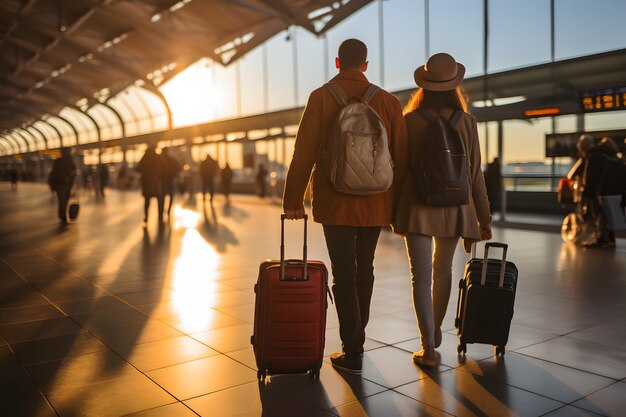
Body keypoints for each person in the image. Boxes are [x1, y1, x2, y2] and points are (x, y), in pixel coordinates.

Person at [283, 38, 407, 374]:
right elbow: (401, 158)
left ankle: (353, 348)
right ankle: (356, 341)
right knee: (365, 268)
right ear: (366, 65)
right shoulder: (388, 102)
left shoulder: (321, 97)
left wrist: (292, 200)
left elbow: (303, 153)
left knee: (344, 273)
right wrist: (398, 209)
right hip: (377, 202)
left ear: (338, 62)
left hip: (335, 201)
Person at [392, 53, 492, 367]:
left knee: (419, 276)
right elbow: (474, 174)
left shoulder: (408, 121)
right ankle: (436, 328)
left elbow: (398, 171)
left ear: (424, 86)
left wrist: (393, 212)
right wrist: (483, 218)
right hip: (456, 206)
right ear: (454, 86)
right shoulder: (467, 122)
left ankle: (428, 347)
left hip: (417, 206)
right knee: (443, 270)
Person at [580, 136, 626, 247]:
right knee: (610, 214)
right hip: (617, 191)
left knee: (600, 215)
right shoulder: (615, 157)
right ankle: (610, 238)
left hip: (602, 190)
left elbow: (590, 178)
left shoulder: (594, 156)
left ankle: (602, 238)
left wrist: (586, 195)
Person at [136, 144, 164, 224]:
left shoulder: (145, 157)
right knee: (159, 200)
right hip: (156, 182)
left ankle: (146, 217)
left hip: (147, 183)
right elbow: (164, 168)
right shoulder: (158, 158)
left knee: (147, 201)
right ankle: (160, 217)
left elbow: (138, 168)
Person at [48, 147, 76, 224]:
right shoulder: (70, 161)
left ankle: (62, 216)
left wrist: (52, 185)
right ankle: (63, 217)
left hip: (59, 185)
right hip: (67, 185)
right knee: (65, 201)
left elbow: (53, 174)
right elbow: (74, 172)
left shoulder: (58, 161)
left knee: (62, 201)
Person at [160, 147, 181, 218]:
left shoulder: (160, 160)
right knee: (170, 196)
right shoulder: (172, 160)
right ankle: (168, 211)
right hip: (170, 180)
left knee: (161, 197)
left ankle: (161, 212)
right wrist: (174, 174)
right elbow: (179, 168)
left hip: (162, 181)